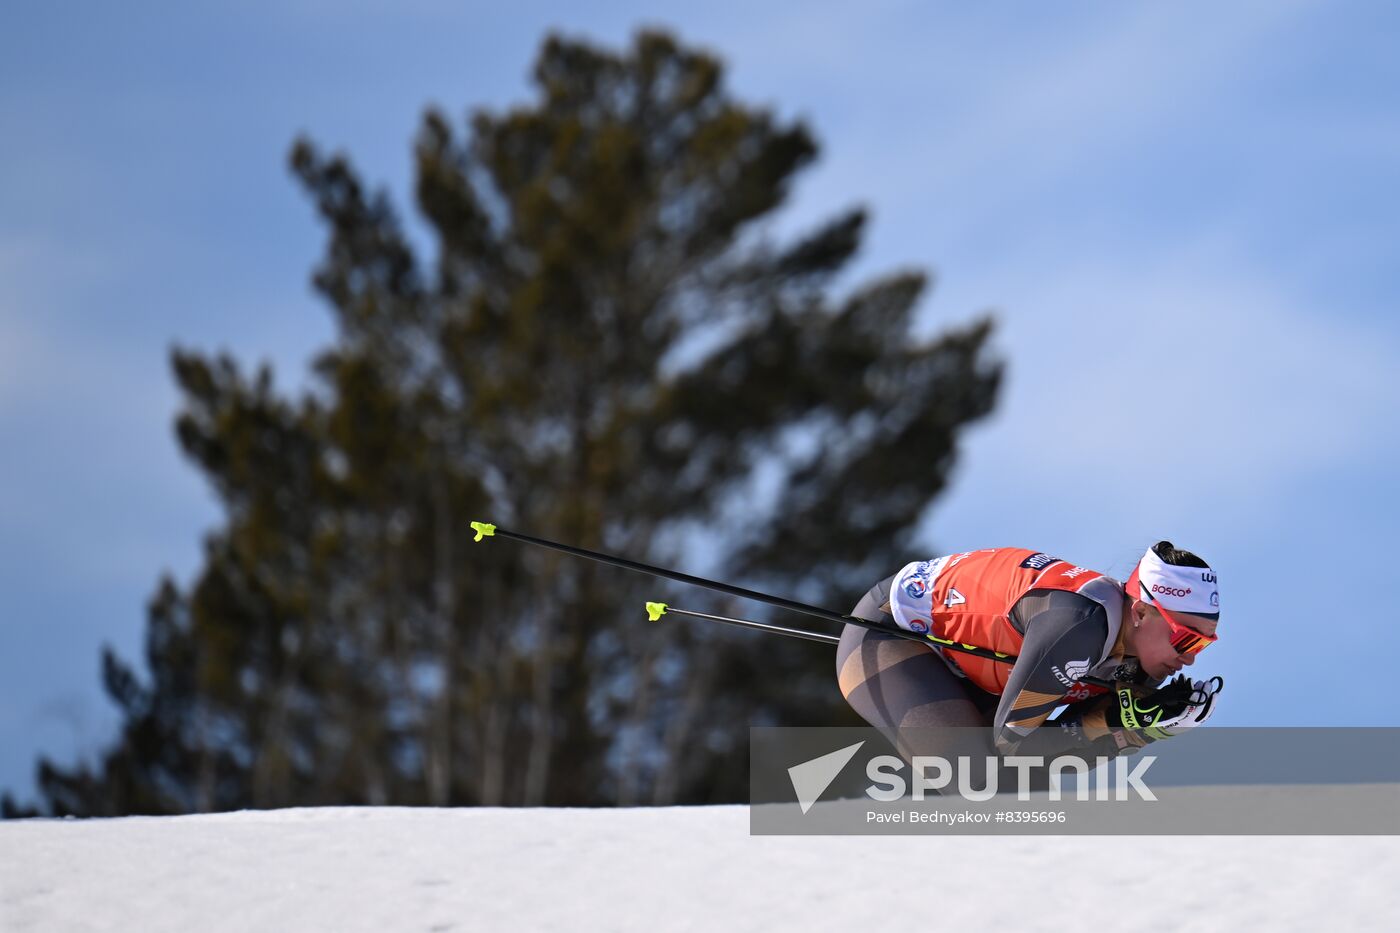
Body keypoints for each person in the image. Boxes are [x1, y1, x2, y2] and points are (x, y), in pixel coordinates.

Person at [835, 541, 1223, 785]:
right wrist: (1116, 727)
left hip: (965, 662)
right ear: (1141, 612)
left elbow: (1051, 759)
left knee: (1026, 790)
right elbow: (1014, 745)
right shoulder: (1079, 627)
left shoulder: (1138, 668)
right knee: (973, 776)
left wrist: (1133, 733)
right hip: (892, 632)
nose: (1189, 657)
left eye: (1203, 645)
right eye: (1185, 637)